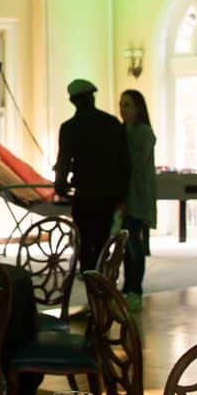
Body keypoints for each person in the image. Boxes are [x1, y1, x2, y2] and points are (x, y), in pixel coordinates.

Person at [52, 79, 128, 273]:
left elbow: (64, 161)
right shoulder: (111, 123)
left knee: (85, 243)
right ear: (91, 97)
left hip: (85, 194)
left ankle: (90, 283)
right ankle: (104, 280)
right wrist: (122, 193)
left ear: (72, 101)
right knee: (104, 241)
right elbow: (124, 161)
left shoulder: (69, 127)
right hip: (108, 194)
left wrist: (60, 186)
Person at [119, 89, 156, 308]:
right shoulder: (121, 131)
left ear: (138, 108)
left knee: (134, 243)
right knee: (124, 245)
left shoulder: (144, 133)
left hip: (137, 195)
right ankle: (126, 286)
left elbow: (136, 163)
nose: (123, 110)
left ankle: (136, 289)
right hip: (123, 196)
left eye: (128, 105)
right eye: (121, 105)